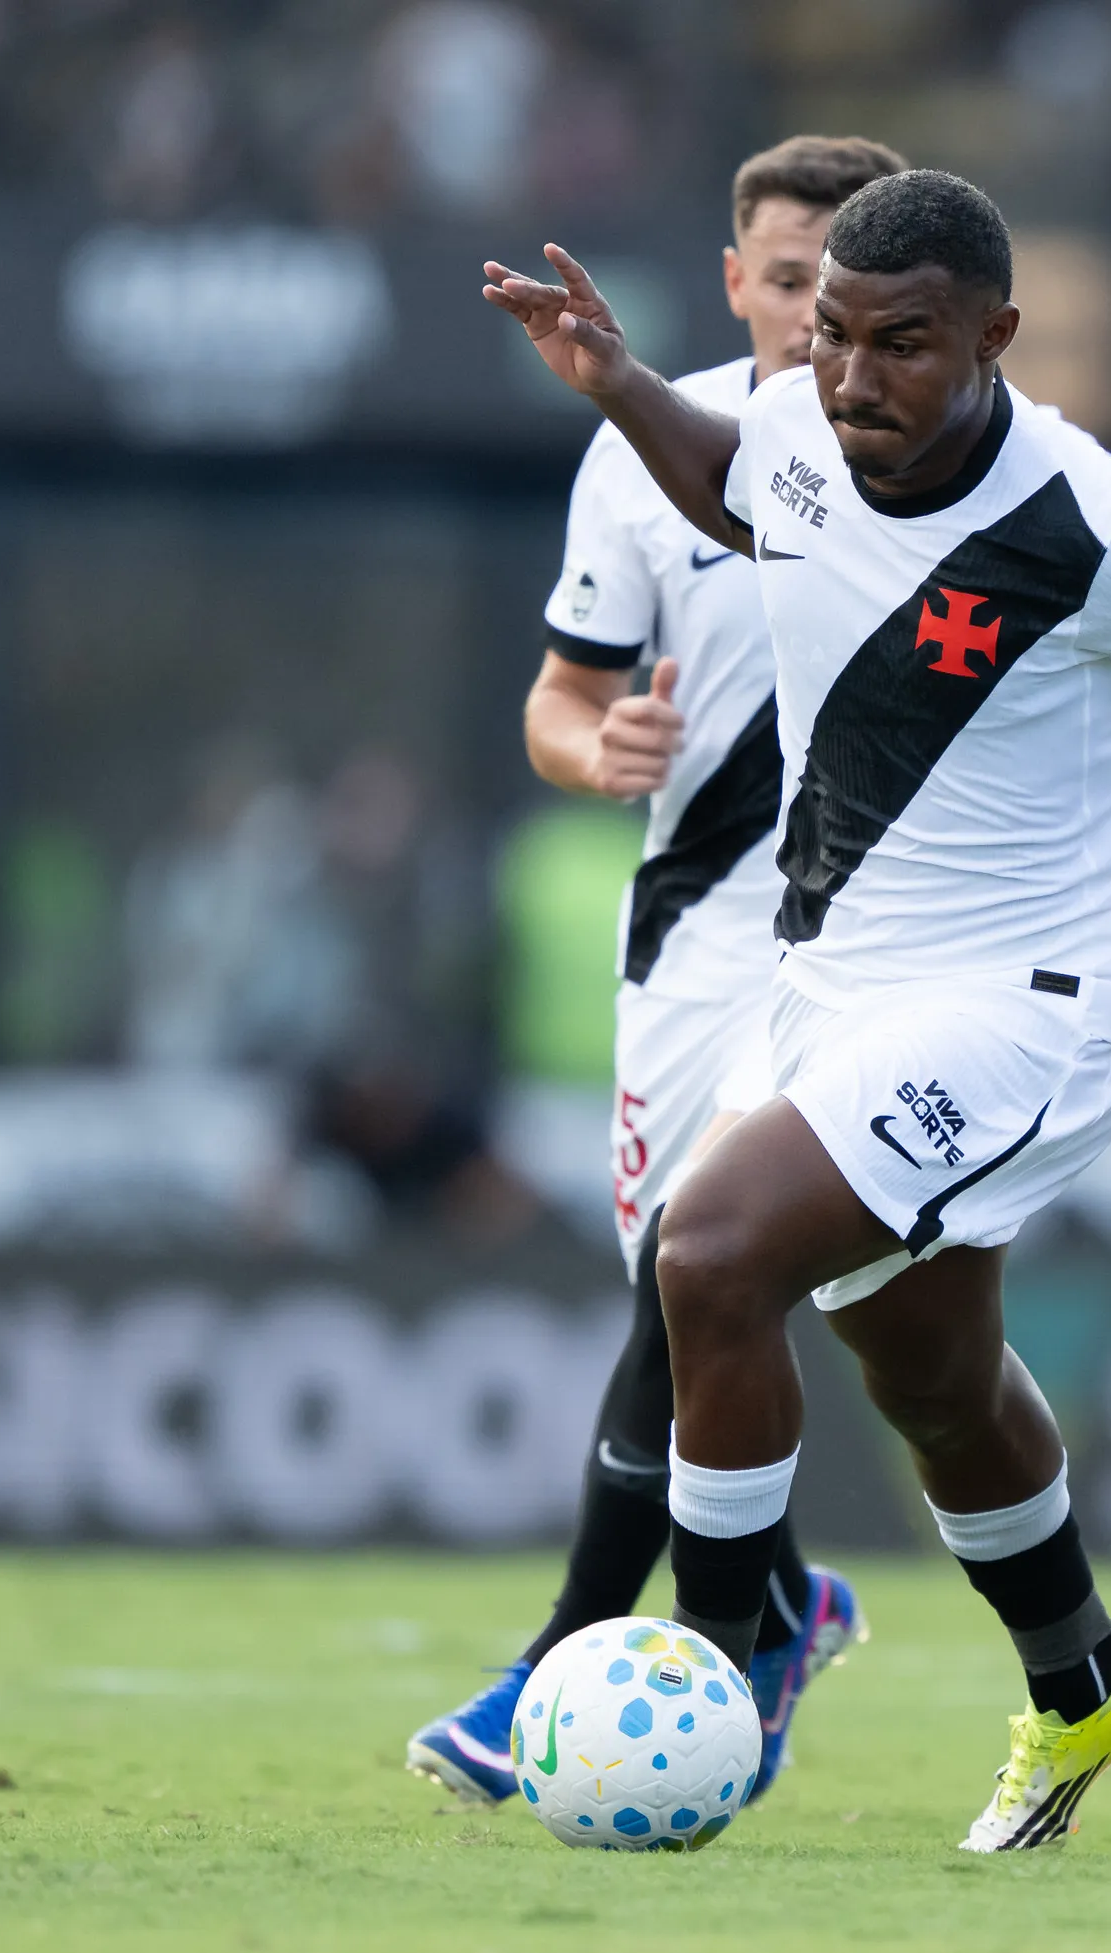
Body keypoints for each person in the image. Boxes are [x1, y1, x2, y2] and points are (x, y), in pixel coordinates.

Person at [483, 168, 1111, 1850]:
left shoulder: (1108, 523)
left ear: (996, 340)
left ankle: (711, 1689)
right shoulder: (804, 435)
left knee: (711, 1252)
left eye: (901, 345)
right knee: (936, 1377)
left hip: (1027, 1003)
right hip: (835, 990)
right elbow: (742, 490)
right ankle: (1088, 1680)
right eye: (829, 339)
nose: (855, 379)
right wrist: (619, 387)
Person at [406, 136, 905, 1811]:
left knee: (699, 1279)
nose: (812, 322)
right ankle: (781, 1608)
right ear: (733, 281)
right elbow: (558, 699)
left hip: (877, 954)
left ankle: (569, 1652)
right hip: (694, 947)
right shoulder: (639, 460)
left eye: (846, 294)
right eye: (785, 286)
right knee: (689, 1300)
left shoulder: (966, 471)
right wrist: (592, 741)